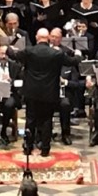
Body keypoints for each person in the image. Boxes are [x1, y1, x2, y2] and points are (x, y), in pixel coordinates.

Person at [11, 28, 79, 156]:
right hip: (49, 92)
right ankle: (45, 149)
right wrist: (79, 54)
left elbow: (13, 55)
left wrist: (9, 47)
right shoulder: (56, 53)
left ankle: (28, 147)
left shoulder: (29, 51)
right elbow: (73, 61)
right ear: (48, 38)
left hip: (31, 92)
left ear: (37, 37)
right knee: (47, 120)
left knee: (30, 119)